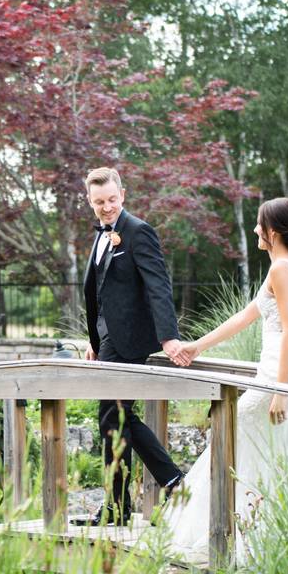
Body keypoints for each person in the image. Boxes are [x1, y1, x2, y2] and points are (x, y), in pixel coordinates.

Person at [163, 197, 288, 564]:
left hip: (284, 371)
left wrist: (281, 390)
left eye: (260, 225)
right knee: (281, 448)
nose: (256, 230)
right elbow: (248, 315)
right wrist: (197, 345)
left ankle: (232, 531)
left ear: (273, 232)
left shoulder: (282, 269)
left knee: (236, 430)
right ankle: (286, 531)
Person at [71, 167, 188, 527]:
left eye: (111, 200)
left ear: (123, 195)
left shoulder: (138, 232)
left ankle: (143, 493)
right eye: (98, 202)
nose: (106, 208)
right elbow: (100, 295)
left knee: (112, 416)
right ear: (89, 202)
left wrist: (168, 337)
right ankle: (151, 488)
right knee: (115, 418)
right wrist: (95, 341)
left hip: (131, 341)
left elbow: (158, 286)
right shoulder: (100, 236)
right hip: (109, 342)